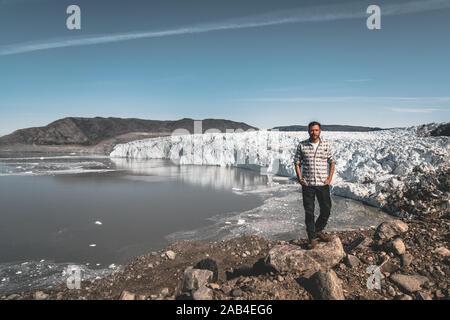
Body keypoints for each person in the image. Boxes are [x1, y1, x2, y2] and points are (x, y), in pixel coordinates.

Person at [293, 121, 335, 249]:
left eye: (316, 130)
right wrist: (300, 178)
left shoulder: (326, 144)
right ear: (308, 131)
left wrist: (329, 178)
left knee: (326, 209)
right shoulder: (302, 145)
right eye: (312, 130)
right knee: (309, 212)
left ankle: (318, 230)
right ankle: (312, 238)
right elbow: (297, 162)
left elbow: (332, 162)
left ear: (320, 131)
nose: (314, 132)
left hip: (322, 183)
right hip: (308, 184)